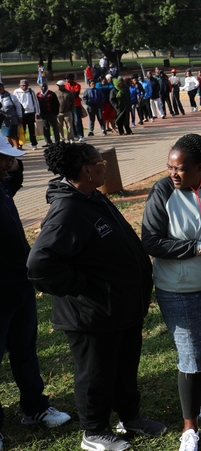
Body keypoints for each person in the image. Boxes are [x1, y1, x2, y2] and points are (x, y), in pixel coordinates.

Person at [28, 141, 166, 451]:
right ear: (86, 170)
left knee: (123, 367)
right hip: (91, 315)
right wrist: (83, 287)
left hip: (118, 309)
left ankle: (130, 417)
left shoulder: (91, 197)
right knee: (96, 374)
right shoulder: (67, 209)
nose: (104, 166)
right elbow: (40, 264)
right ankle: (94, 432)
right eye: (99, 163)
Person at [141, 134, 201, 451]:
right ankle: (190, 427)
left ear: (200, 167)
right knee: (192, 353)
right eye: (170, 167)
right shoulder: (162, 192)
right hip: (179, 289)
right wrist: (198, 248)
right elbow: (152, 241)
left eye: (181, 168)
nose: (173, 174)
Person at [0, 141, 71, 451]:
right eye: (4, 160)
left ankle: (35, 408)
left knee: (25, 351)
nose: (8, 165)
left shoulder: (2, 185)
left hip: (19, 287)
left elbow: (14, 180)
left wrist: (13, 165)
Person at [13, 80, 40, 150]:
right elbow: (15, 103)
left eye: (26, 85)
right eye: (23, 85)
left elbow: (36, 101)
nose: (24, 87)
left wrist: (37, 112)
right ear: (20, 85)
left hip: (30, 112)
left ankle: (34, 144)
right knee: (22, 130)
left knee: (32, 129)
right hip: (21, 113)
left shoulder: (31, 91)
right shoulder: (16, 91)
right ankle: (21, 144)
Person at [37, 81, 60, 147]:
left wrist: (55, 113)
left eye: (44, 86)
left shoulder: (51, 94)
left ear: (47, 87)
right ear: (40, 87)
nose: (43, 87)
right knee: (45, 129)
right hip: (43, 115)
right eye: (42, 86)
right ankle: (48, 142)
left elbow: (56, 104)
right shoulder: (38, 95)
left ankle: (57, 141)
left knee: (55, 128)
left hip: (51, 114)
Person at [0, 82, 22, 149]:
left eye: (0, 89)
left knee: (13, 135)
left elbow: (18, 107)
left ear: (3, 88)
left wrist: (19, 116)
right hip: (3, 121)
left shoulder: (11, 97)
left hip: (12, 119)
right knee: (7, 136)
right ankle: (10, 149)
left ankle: (16, 148)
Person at [64, 74, 85, 142]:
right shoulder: (65, 85)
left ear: (72, 79)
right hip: (68, 106)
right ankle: (75, 134)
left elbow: (76, 95)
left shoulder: (77, 85)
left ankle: (81, 135)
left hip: (76, 105)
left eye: (68, 79)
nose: (67, 80)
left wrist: (68, 95)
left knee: (78, 120)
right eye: (66, 79)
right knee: (71, 121)